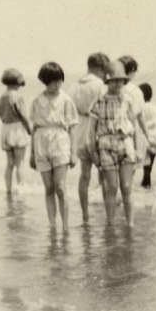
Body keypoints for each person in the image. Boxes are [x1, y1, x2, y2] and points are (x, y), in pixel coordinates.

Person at [88, 61, 140, 227]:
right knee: (111, 187)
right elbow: (91, 131)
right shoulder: (98, 102)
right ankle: (110, 223)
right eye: (114, 80)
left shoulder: (128, 100)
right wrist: (93, 152)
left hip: (126, 143)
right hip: (106, 146)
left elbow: (135, 126)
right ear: (107, 81)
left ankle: (130, 223)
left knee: (126, 187)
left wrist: (138, 149)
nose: (118, 84)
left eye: (121, 81)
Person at [29, 62, 79, 232]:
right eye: (54, 81)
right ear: (45, 81)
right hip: (41, 143)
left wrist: (74, 153)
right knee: (49, 187)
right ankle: (52, 226)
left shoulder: (66, 100)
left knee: (60, 187)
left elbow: (72, 127)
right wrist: (32, 154)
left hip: (60, 141)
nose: (58, 85)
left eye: (60, 81)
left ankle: (65, 226)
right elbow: (34, 129)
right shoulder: (37, 101)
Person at [67, 52, 110, 223]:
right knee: (104, 175)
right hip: (97, 132)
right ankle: (109, 214)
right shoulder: (100, 85)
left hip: (79, 132)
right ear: (100, 68)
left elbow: (69, 112)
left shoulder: (74, 86)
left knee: (84, 175)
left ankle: (85, 215)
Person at [0, 68, 32, 194]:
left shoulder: (2, 97)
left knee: (9, 163)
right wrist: (30, 130)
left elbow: (0, 114)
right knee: (20, 163)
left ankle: (8, 189)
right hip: (17, 129)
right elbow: (23, 115)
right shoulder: (17, 96)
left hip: (5, 129)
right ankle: (21, 189)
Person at [117, 55, 152, 173]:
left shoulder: (111, 87)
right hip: (129, 136)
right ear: (132, 71)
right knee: (128, 175)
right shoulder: (135, 91)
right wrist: (147, 137)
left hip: (110, 136)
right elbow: (137, 117)